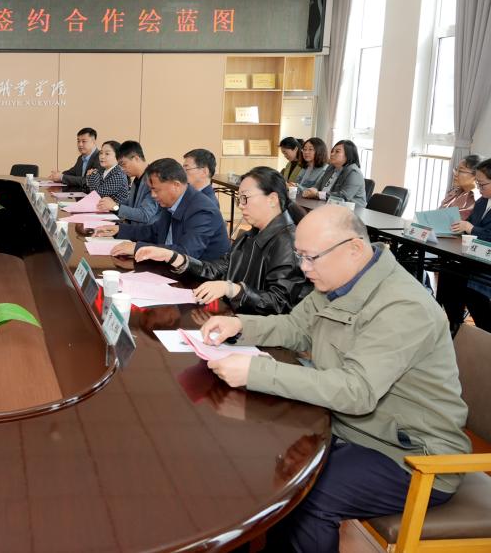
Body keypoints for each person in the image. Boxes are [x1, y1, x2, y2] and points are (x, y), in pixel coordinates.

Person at [198, 205, 469, 552]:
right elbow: (296, 327)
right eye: (300, 256)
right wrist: (240, 326)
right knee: (267, 468)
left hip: (413, 456)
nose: (303, 268)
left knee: (307, 494)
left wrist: (256, 371)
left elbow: (357, 390)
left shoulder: (403, 306)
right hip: (353, 430)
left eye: (311, 257)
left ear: (353, 249)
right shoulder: (340, 281)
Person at [171, 167, 309, 315]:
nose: (240, 205)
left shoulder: (289, 243)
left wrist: (233, 289)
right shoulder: (249, 236)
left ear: (272, 199)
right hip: (236, 317)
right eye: (239, 198)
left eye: (245, 198)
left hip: (254, 325)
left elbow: (279, 303)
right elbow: (218, 269)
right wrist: (176, 258)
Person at [110, 158, 230, 262]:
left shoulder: (202, 211)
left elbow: (186, 253)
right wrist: (119, 229)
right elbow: (154, 231)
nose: (153, 195)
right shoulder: (171, 201)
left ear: (176, 185)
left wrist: (137, 247)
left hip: (199, 277)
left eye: (156, 190)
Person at [439, 157, 491, 332]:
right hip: (475, 257)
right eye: (478, 183)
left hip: (486, 264)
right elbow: (469, 226)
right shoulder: (482, 202)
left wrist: (471, 228)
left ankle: (483, 330)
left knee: (469, 285)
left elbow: (478, 230)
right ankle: (455, 323)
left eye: (482, 184)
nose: (479, 187)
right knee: (448, 270)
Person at [94, 140, 161, 228]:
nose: (122, 169)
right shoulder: (137, 178)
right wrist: (111, 204)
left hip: (145, 232)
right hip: (133, 228)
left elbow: (145, 215)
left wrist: (115, 207)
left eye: (123, 164)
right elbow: (130, 203)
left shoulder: (153, 180)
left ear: (136, 158)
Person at [303, 139, 367, 206]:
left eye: (337, 151)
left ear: (348, 155)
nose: (332, 154)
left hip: (352, 209)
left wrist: (317, 194)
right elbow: (318, 186)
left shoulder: (354, 172)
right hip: (327, 204)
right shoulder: (331, 167)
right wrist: (310, 191)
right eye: (332, 151)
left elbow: (343, 196)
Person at [440, 154, 481, 220]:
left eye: (461, 171)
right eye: (456, 169)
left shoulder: (478, 199)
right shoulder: (454, 192)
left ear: (476, 175)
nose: (455, 174)